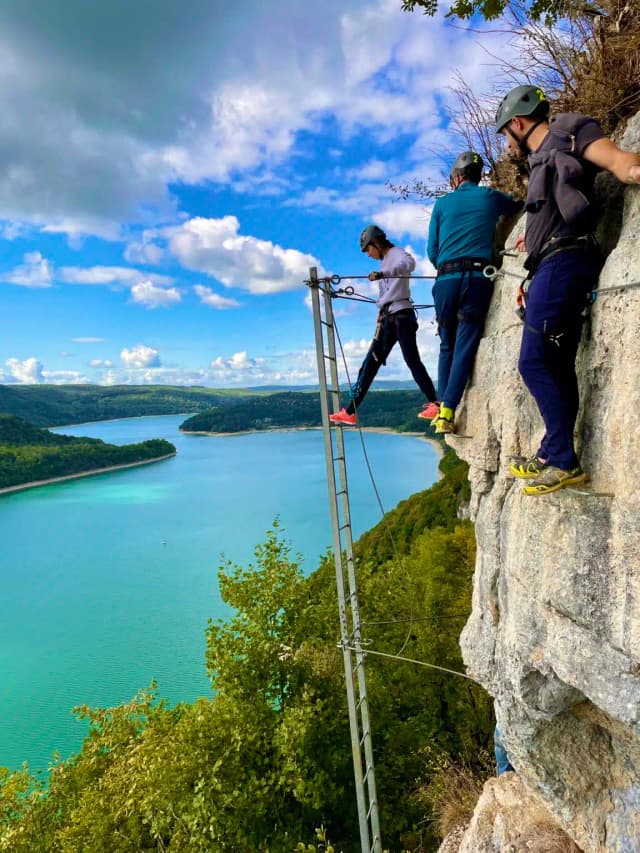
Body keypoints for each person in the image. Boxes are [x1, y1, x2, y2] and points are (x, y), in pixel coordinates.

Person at [495, 85, 640, 495]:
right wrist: (531, 241)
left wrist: (633, 169)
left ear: (518, 124)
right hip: (553, 263)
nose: (507, 143)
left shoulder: (569, 131)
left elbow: (620, 162)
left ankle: (562, 460)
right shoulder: (543, 157)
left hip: (564, 263)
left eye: (506, 134)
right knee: (557, 364)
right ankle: (551, 452)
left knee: (533, 362)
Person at [427, 152, 522, 434]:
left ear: (456, 177)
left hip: (445, 280)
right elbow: (515, 205)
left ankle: (442, 400)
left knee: (447, 344)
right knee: (465, 342)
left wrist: (446, 266)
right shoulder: (490, 197)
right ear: (477, 176)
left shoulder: (441, 204)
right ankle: (447, 411)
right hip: (477, 278)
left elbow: (432, 251)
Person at [329, 225, 438, 426]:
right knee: (377, 364)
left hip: (399, 317)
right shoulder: (386, 261)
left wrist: (381, 274)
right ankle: (350, 411)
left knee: (393, 362)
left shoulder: (396, 255)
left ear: (376, 243)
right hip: (391, 317)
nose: (368, 255)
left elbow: (409, 264)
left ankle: (434, 403)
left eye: (368, 250)